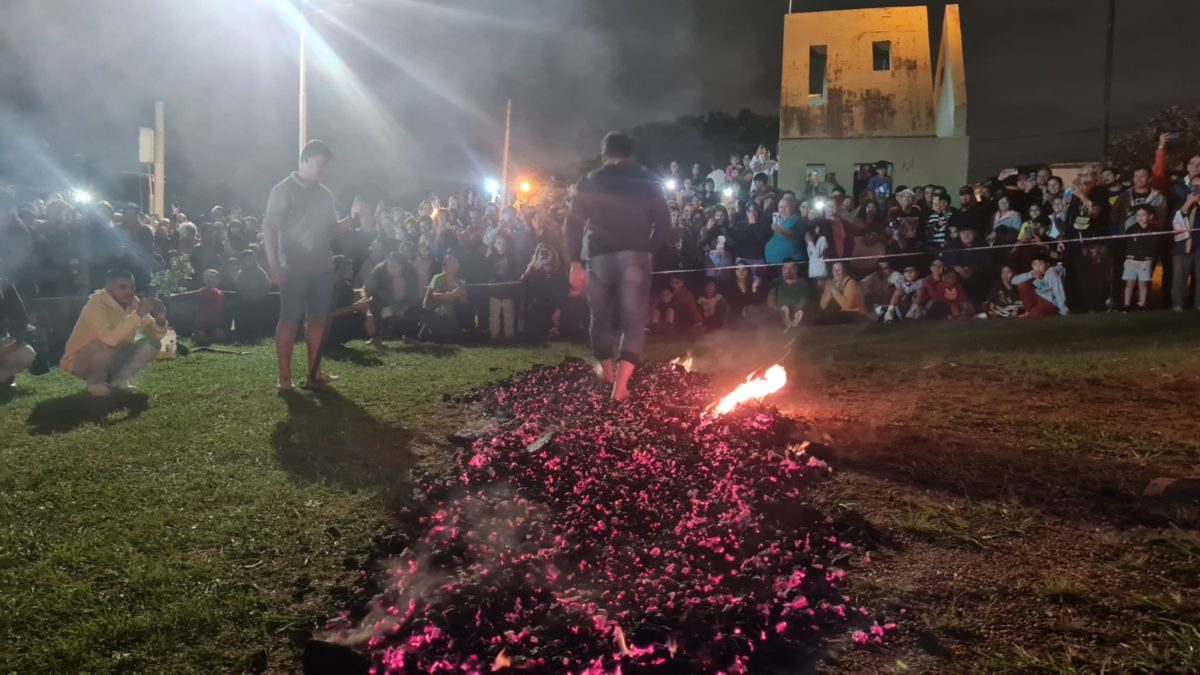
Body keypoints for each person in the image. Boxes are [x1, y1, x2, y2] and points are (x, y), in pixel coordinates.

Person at [564, 132, 672, 401]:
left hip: (598, 255)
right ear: (631, 154)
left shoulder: (591, 180)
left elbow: (573, 224)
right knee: (633, 321)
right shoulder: (647, 179)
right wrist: (650, 248)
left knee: (599, 316)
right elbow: (664, 222)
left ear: (605, 154)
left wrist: (574, 262)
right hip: (635, 256)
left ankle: (609, 373)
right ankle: (620, 386)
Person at [263, 139, 344, 391]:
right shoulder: (283, 190)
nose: (323, 170)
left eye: (326, 166)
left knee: (318, 320)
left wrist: (349, 224)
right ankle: (285, 376)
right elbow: (270, 228)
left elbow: (330, 231)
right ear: (306, 159)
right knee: (289, 320)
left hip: (321, 267)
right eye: (320, 164)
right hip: (293, 267)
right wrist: (274, 265)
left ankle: (314, 372)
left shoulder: (325, 193)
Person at [60, 269, 169, 396]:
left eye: (132, 286)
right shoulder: (95, 305)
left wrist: (160, 320)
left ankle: (118, 381)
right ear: (108, 288)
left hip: (111, 354)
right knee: (105, 344)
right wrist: (138, 314)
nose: (129, 291)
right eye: (122, 287)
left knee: (153, 344)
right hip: (79, 361)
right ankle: (95, 382)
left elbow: (154, 334)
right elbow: (109, 340)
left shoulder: (132, 301)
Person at [366, 251, 419, 340]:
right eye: (389, 266)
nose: (391, 269)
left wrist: (401, 307)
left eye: (395, 267)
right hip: (386, 302)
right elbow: (373, 291)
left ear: (403, 267)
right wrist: (390, 308)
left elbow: (413, 294)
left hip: (404, 302)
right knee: (375, 304)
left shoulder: (411, 272)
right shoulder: (379, 271)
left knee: (414, 308)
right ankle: (377, 336)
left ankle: (409, 336)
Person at [0, 277, 37, 394]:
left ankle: (3, 377)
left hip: (2, 341)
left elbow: (20, 318)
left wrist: (14, 343)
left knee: (26, 353)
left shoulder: (4, 285)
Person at [329, 254, 375, 346]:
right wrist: (354, 307)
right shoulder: (326, 287)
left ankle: (375, 337)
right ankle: (329, 342)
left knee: (367, 311)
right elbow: (326, 314)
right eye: (349, 269)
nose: (352, 271)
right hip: (323, 328)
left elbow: (356, 304)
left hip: (337, 322)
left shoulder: (346, 286)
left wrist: (369, 317)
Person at [422, 253, 469, 341]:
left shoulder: (460, 281)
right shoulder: (437, 278)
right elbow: (434, 296)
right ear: (445, 266)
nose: (454, 266)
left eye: (456, 263)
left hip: (450, 310)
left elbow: (464, 302)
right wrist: (453, 294)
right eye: (451, 264)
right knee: (438, 335)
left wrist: (463, 294)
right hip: (432, 309)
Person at [1170, 175, 1200, 311]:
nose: (1197, 190)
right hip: (1182, 246)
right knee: (1179, 277)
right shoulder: (1179, 202)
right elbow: (1175, 221)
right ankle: (1178, 304)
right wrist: (1188, 203)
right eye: (1194, 187)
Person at [1121, 205, 1158, 311]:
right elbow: (1128, 244)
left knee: (1143, 284)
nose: (1140, 217)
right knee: (1129, 284)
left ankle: (1142, 304)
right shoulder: (1131, 229)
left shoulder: (1154, 230)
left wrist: (1147, 258)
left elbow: (1152, 245)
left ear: (1150, 216)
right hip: (1131, 261)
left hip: (1145, 262)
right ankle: (1126, 305)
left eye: (1143, 215)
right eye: (1137, 215)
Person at [486, 233, 520, 339]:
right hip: (495, 293)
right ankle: (494, 334)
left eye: (504, 244)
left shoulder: (512, 259)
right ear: (495, 245)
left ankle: (509, 334)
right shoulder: (490, 259)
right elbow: (485, 273)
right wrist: (489, 280)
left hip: (507, 293)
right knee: (494, 316)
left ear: (508, 245)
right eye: (499, 243)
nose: (502, 246)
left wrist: (512, 280)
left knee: (509, 315)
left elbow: (516, 273)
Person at [233, 249, 271, 342]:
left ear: (254, 259)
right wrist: (245, 294)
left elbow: (266, 285)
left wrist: (258, 295)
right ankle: (244, 335)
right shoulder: (240, 273)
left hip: (258, 301)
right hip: (245, 300)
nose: (247, 260)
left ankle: (257, 335)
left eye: (250, 258)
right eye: (245, 258)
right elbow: (238, 286)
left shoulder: (260, 272)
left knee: (257, 317)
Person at [766, 259, 809, 330]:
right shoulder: (776, 282)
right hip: (779, 313)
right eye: (785, 268)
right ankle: (786, 321)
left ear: (796, 269)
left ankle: (791, 322)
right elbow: (770, 301)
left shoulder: (803, 283)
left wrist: (792, 315)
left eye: (791, 268)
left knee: (802, 314)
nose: (788, 271)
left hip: (796, 313)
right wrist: (780, 313)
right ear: (782, 269)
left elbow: (803, 302)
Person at [764, 195, 805, 267]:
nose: (782, 209)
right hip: (775, 264)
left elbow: (795, 236)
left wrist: (780, 230)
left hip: (789, 264)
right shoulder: (780, 221)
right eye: (780, 207)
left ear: (793, 208)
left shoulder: (798, 220)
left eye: (786, 207)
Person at [190, 269, 227, 344]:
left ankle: (208, 339)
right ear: (204, 280)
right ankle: (206, 338)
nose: (210, 281)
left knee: (219, 335)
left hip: (215, 325)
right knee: (199, 336)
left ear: (217, 281)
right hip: (202, 325)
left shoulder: (220, 294)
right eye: (207, 278)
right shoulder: (199, 293)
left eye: (212, 278)